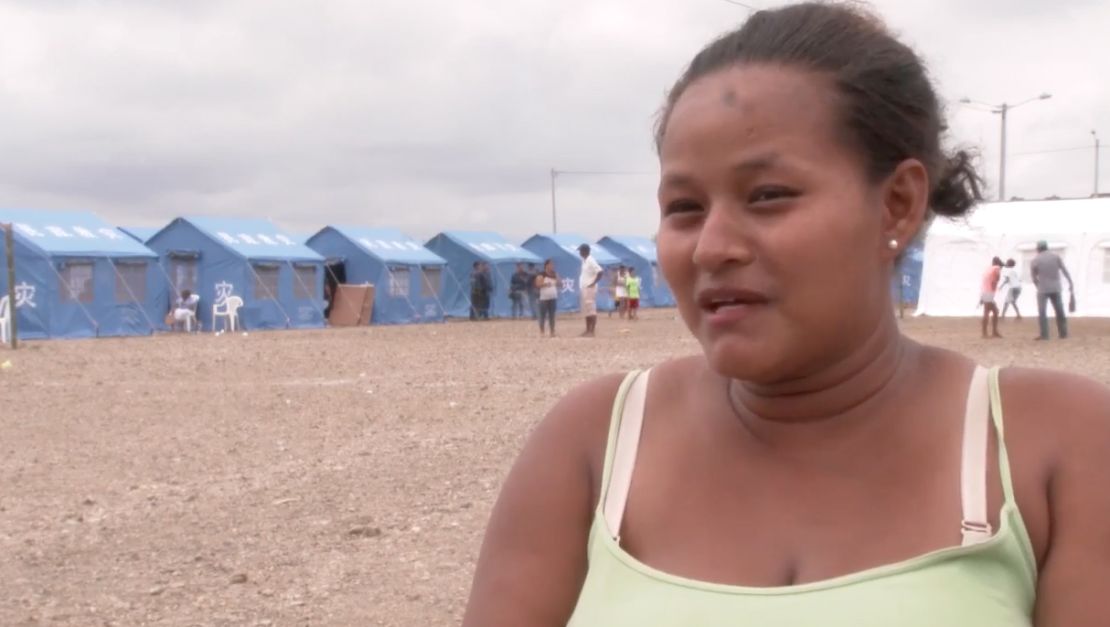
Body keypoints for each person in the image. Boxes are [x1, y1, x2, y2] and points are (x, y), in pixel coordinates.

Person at [463, 5, 1110, 626]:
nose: (713, 246)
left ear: (898, 203)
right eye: (684, 207)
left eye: (768, 196)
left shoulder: (1052, 447)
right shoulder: (594, 446)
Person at [1031, 241, 1074, 340]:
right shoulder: (1056, 257)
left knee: (1042, 312)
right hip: (1056, 287)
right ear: (1047, 247)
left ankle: (1044, 335)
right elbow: (1064, 270)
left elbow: (1033, 277)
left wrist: (1038, 286)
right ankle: (1063, 333)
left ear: (1038, 249)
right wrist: (1070, 282)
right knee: (1059, 311)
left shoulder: (1035, 260)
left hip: (1042, 288)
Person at [578, 244, 603, 337]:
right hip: (584, 288)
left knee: (591, 309)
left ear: (585, 251)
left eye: (581, 251)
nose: (580, 253)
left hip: (589, 288)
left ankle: (592, 331)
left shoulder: (591, 260)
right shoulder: (584, 261)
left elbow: (600, 272)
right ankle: (587, 329)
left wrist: (593, 283)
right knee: (586, 310)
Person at [979, 257, 1003, 339]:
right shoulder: (997, 268)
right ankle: (986, 333)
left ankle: (992, 332)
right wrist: (994, 288)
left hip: (984, 292)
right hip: (989, 292)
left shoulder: (988, 269)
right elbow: (996, 279)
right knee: (988, 311)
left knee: (994, 311)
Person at [536, 259, 558, 337]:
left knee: (552, 315)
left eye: (552, 264)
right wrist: (545, 284)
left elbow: (560, 283)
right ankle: (542, 331)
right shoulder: (541, 274)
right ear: (546, 265)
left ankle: (552, 331)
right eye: (550, 264)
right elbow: (538, 284)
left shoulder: (554, 274)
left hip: (553, 297)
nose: (552, 266)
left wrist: (557, 279)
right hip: (544, 298)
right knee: (543, 315)